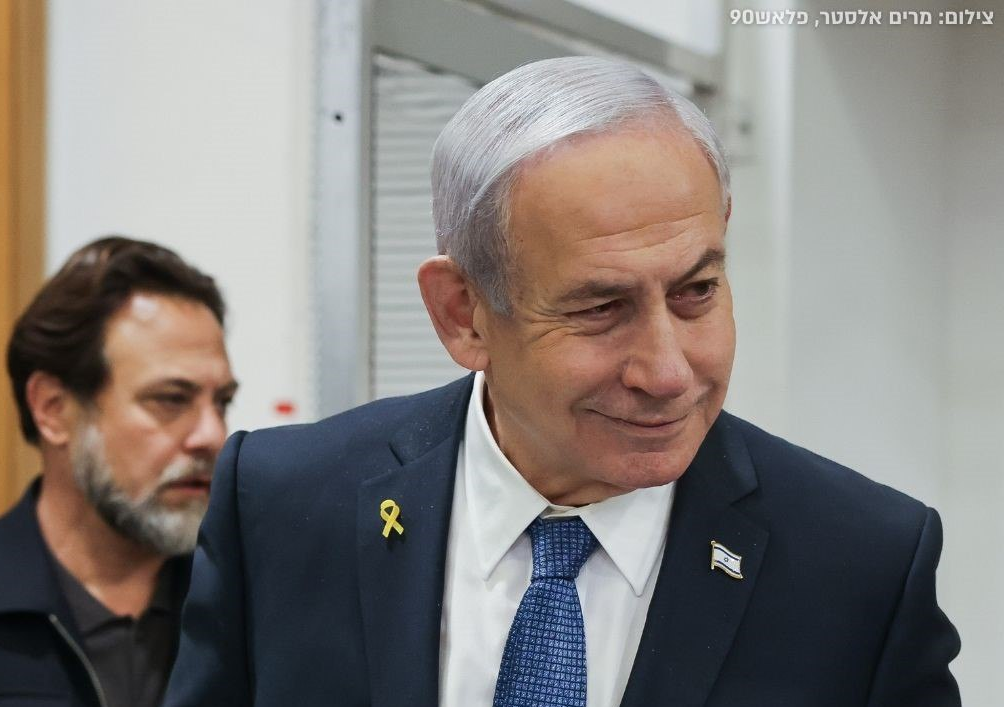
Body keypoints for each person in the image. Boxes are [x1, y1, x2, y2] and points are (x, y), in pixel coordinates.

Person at [166, 57, 960, 706]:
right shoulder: (284, 506)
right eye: (601, 308)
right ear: (463, 313)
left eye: (696, 291)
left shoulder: (859, 566)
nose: (667, 371)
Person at [0, 237, 238, 707]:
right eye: (172, 399)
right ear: (53, 409)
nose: (213, 436)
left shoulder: (246, 613)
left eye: (222, 402)